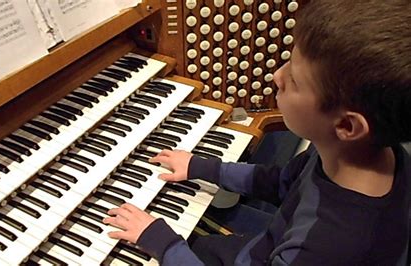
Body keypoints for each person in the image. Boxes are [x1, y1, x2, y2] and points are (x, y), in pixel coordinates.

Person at [102, 0, 411, 264]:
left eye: (294, 80)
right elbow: (281, 183)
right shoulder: (363, 154)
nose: (277, 76)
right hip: (262, 245)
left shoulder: (325, 247)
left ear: (346, 126)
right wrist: (202, 167)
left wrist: (163, 243)